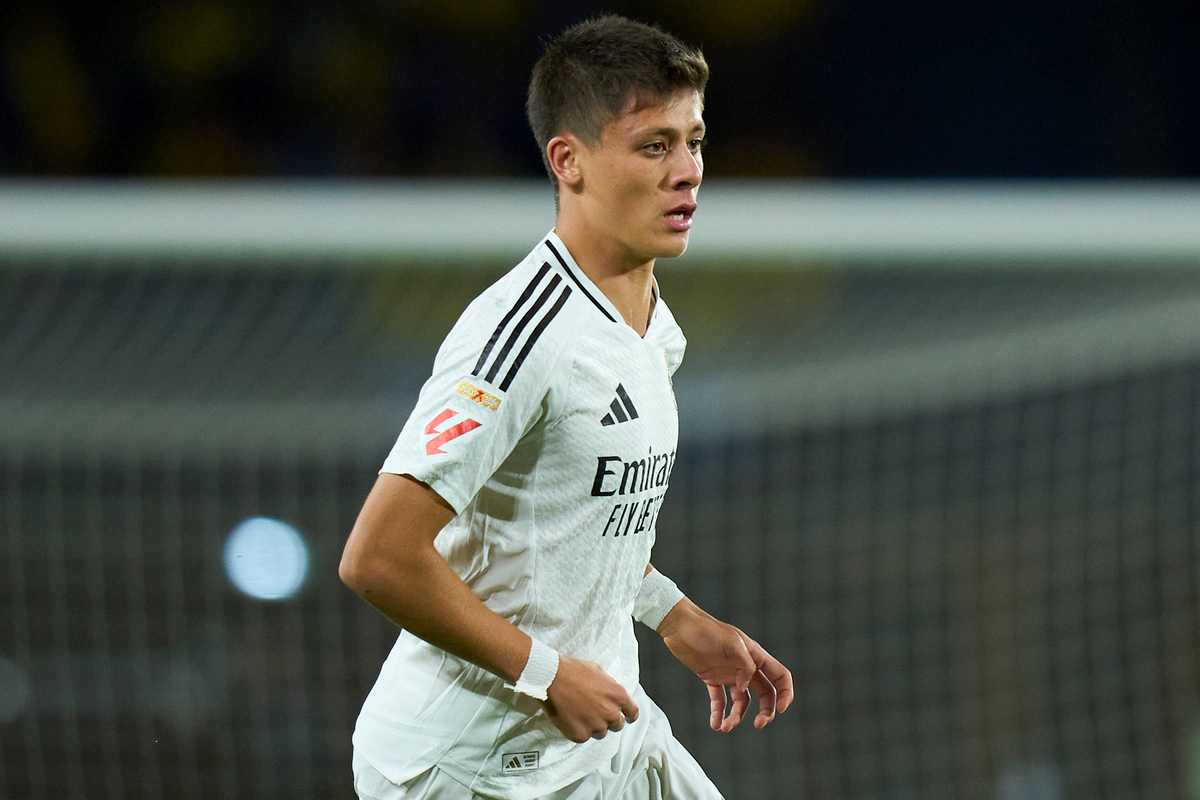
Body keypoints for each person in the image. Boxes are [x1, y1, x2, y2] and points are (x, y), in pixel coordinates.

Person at [339, 14, 794, 799]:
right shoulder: (522, 337)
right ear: (568, 160)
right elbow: (377, 557)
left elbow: (572, 526)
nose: (687, 171)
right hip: (471, 765)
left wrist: (673, 613)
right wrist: (545, 673)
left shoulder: (650, 326)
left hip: (601, 726)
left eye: (694, 141)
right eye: (654, 146)